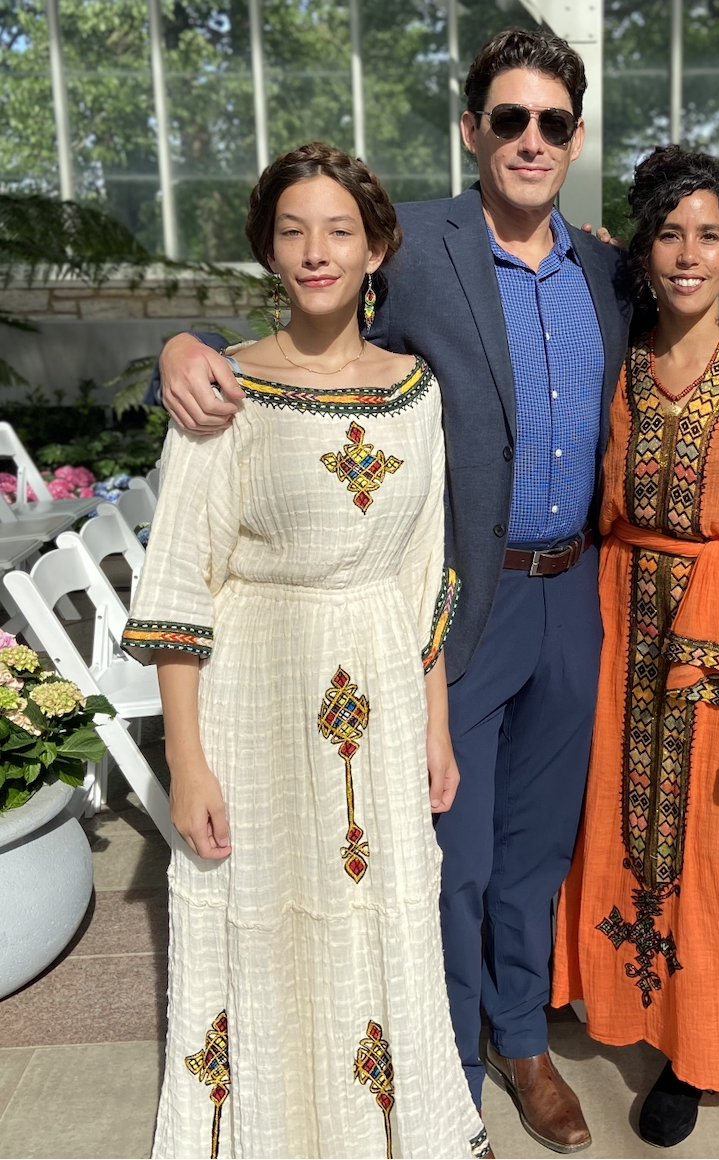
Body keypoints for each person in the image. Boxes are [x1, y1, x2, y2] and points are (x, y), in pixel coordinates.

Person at [153, 28, 719, 1153]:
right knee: (451, 853)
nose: (528, 139)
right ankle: (446, 1052)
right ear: (471, 130)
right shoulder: (409, 241)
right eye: (506, 119)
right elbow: (303, 312)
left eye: (551, 123)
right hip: (458, 600)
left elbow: (692, 295)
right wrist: (186, 339)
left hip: (580, 595)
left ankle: (522, 1038)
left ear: (572, 138)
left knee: (536, 847)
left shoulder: (605, 263)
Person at [122, 143, 490, 1158]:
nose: (315, 251)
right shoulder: (223, 390)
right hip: (257, 691)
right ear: (268, 252)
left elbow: (425, 573)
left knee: (379, 907)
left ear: (376, 248)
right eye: (292, 231)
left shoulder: (416, 391)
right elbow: (179, 586)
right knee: (268, 911)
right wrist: (185, 756)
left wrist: (437, 726)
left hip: (379, 680)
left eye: (338, 230)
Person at [552, 146, 719, 1149]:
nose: (686, 252)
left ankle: (701, 1048)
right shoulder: (616, 361)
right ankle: (631, 1005)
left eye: (707, 234)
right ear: (643, 247)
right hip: (626, 611)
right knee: (627, 822)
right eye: (668, 232)